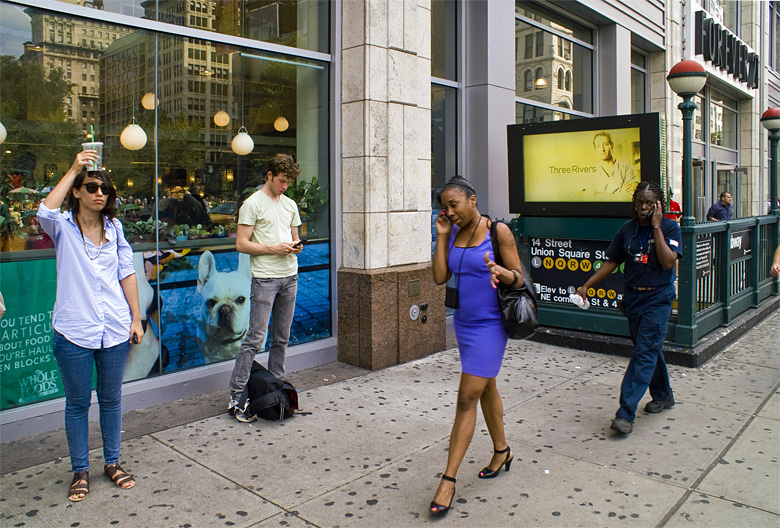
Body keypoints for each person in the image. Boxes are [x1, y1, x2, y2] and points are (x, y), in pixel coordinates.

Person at [37, 150, 143, 502]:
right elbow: (44, 210)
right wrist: (73, 169)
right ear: (78, 192)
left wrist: (136, 318)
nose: (100, 193)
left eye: (105, 189)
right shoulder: (63, 228)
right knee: (78, 402)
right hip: (74, 329)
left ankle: (112, 462)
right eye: (92, 186)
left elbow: (127, 273)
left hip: (113, 327)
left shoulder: (115, 228)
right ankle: (80, 469)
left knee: (111, 400)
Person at [428, 176, 524, 517]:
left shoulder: (499, 232)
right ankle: (502, 451)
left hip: (491, 325)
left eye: (454, 205)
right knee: (486, 387)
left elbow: (520, 277)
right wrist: (441, 238)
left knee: (468, 395)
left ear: (472, 200)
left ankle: (448, 479)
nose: (449, 212)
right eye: (445, 207)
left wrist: (503, 272)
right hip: (465, 324)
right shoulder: (451, 232)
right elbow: (440, 277)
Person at [576, 181, 682, 435]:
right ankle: (664, 394)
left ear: (658, 204)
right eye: (640, 202)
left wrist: (656, 226)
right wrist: (587, 285)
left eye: (649, 203)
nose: (643, 207)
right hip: (634, 300)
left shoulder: (670, 227)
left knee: (644, 351)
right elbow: (612, 261)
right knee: (649, 348)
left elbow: (668, 262)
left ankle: (625, 413)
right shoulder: (627, 229)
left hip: (658, 299)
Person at [228, 154, 303, 422]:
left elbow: (294, 236)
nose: (285, 186)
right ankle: (236, 396)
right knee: (255, 338)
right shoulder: (252, 204)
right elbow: (242, 244)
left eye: (288, 182)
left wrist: (295, 245)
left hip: (289, 276)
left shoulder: (290, 204)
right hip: (265, 279)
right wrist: (274, 248)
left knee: (282, 337)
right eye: (281, 181)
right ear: (269, 175)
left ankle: (276, 389)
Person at [591, 131, 639, 197]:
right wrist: (620, 193)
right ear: (595, 149)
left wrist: (601, 195)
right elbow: (592, 198)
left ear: (611, 146)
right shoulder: (592, 171)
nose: (602, 149)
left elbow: (629, 196)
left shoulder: (627, 167)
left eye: (605, 144)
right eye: (598, 146)